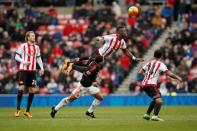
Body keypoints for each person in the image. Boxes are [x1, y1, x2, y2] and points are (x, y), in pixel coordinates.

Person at [61, 25, 144, 74]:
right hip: (98, 54)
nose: (126, 32)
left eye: (126, 31)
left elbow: (125, 51)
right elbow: (100, 37)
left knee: (87, 67)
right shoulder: (112, 38)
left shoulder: (122, 42)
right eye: (124, 31)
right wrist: (99, 40)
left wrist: (134, 58)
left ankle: (69, 63)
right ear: (119, 32)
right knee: (87, 70)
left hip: (101, 57)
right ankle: (71, 65)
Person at [138, 50, 182, 121]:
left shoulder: (149, 62)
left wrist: (147, 76)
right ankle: (155, 116)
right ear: (161, 56)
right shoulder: (160, 64)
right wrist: (178, 78)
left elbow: (140, 72)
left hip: (144, 84)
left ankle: (147, 114)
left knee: (156, 98)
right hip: (151, 84)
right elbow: (168, 73)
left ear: (154, 55)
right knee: (159, 100)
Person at [14, 31, 44, 118]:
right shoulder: (23, 46)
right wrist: (24, 61)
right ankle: (18, 109)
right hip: (24, 70)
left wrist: (42, 68)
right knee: (21, 88)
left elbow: (38, 58)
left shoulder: (37, 47)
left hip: (33, 71)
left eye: (34, 35)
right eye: (32, 36)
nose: (34, 37)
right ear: (28, 37)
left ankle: (27, 111)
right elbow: (16, 56)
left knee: (32, 90)